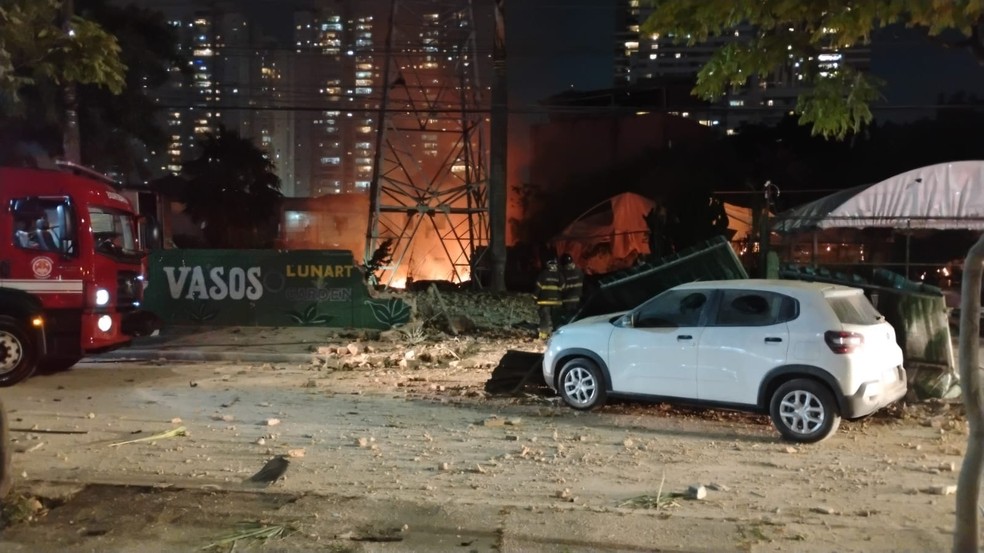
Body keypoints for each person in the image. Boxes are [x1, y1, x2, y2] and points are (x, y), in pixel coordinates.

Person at [534, 257, 563, 339]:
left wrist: (535, 297)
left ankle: (543, 336)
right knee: (556, 319)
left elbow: (538, 286)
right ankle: (556, 335)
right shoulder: (559, 274)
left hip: (544, 301)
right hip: (556, 302)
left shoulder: (543, 274)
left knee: (544, 318)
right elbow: (563, 287)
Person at [559, 253, 584, 324]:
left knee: (570, 322)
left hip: (567, 302)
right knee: (579, 321)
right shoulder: (579, 271)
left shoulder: (562, 274)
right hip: (579, 301)